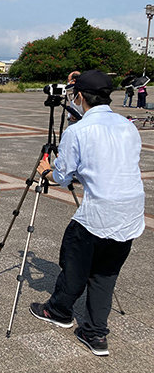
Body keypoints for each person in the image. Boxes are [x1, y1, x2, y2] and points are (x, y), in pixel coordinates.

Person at [31, 70, 145, 357]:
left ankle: (58, 310)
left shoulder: (78, 130)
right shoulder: (128, 125)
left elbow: (63, 175)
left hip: (99, 213)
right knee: (106, 273)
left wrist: (47, 170)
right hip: (131, 213)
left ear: (79, 96)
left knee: (74, 261)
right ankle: (95, 333)